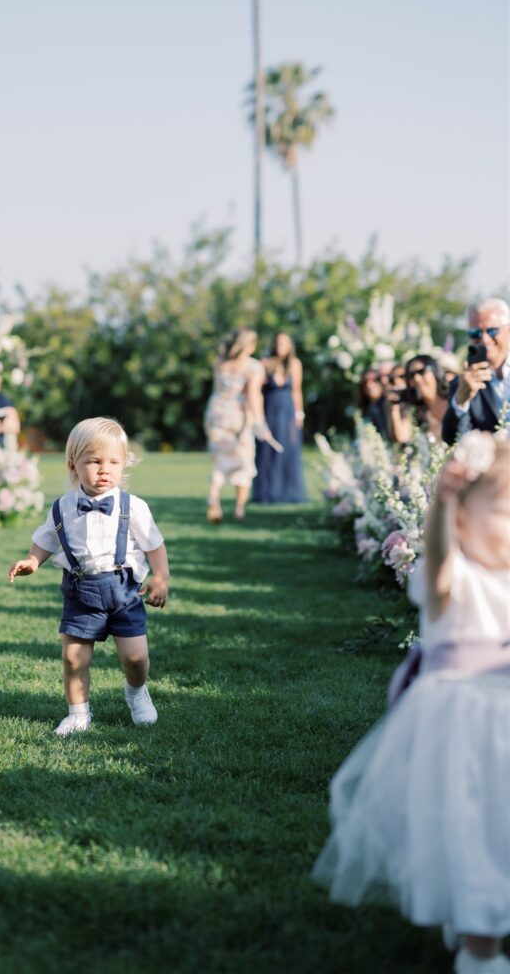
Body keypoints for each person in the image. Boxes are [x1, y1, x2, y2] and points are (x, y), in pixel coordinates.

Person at [313, 431, 510, 974]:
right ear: (465, 521)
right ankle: (481, 950)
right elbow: (443, 569)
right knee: (468, 824)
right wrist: (443, 505)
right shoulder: (451, 577)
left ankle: (476, 913)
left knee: (500, 827)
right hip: (465, 721)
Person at [8, 417, 170, 736]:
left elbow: (155, 544)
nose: (104, 469)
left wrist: (161, 577)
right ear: (73, 465)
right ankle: (78, 713)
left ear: (124, 465)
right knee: (73, 657)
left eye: (113, 462)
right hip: (81, 592)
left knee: (136, 657)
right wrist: (32, 560)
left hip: (125, 592)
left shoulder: (133, 507)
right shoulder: (63, 508)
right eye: (94, 461)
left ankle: (136, 692)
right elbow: (46, 538)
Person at [203, 328, 279, 523]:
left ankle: (214, 495)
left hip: (215, 414)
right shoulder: (253, 367)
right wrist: (260, 423)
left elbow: (216, 390)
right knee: (244, 461)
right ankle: (238, 509)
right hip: (238, 417)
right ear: (250, 345)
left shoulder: (220, 362)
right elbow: (253, 396)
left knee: (220, 459)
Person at [443, 298, 510, 445]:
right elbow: (451, 439)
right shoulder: (465, 382)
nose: (485, 339)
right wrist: (461, 401)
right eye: (475, 333)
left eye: (492, 331)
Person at [253, 331, 305, 504]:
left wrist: (299, 414)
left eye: (284, 342)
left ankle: (288, 492)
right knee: (268, 450)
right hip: (270, 410)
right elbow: (255, 390)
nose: (281, 346)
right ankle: (267, 491)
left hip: (288, 411)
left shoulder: (295, 364)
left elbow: (296, 391)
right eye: (278, 342)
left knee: (288, 449)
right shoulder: (265, 363)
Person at [388, 354, 450, 444]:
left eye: (421, 372)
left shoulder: (453, 400)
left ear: (435, 372)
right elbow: (402, 437)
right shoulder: (415, 411)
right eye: (411, 375)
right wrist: (394, 407)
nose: (417, 379)